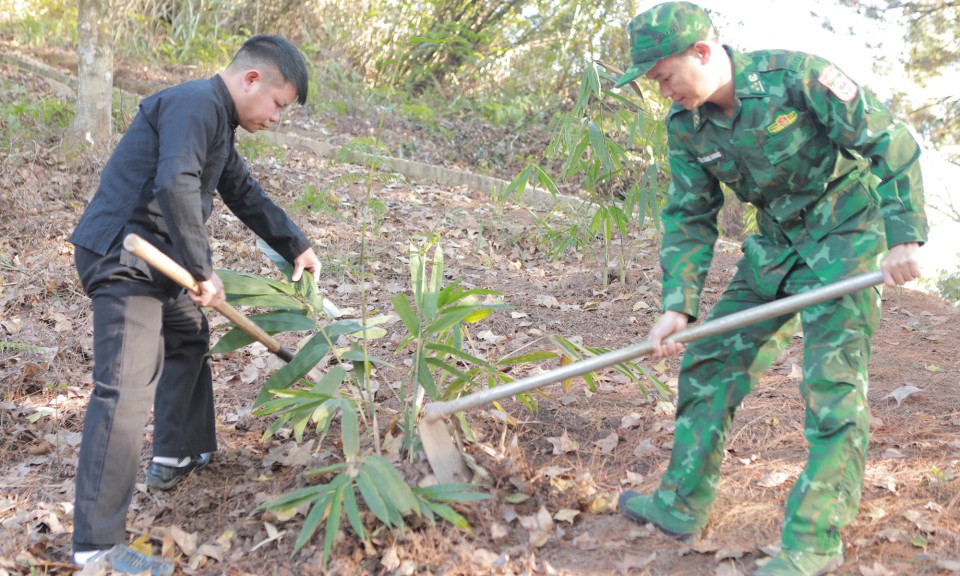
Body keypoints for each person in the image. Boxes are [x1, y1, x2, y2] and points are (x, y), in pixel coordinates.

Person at [612, 3, 927, 575]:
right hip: (775, 248)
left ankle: (814, 542)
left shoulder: (797, 77)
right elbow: (689, 215)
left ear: (701, 52)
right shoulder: (686, 128)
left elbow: (892, 141)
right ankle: (681, 504)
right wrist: (677, 306)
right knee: (709, 360)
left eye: (663, 76)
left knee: (831, 389)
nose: (662, 92)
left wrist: (905, 237)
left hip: (846, 241)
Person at [69, 35, 321, 574]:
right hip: (123, 256)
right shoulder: (192, 104)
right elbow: (176, 181)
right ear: (252, 81)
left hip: (158, 264)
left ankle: (177, 453)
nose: (278, 117)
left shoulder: (217, 126)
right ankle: (96, 548)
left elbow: (243, 192)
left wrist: (295, 243)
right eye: (279, 104)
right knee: (124, 390)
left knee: (186, 337)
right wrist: (204, 270)